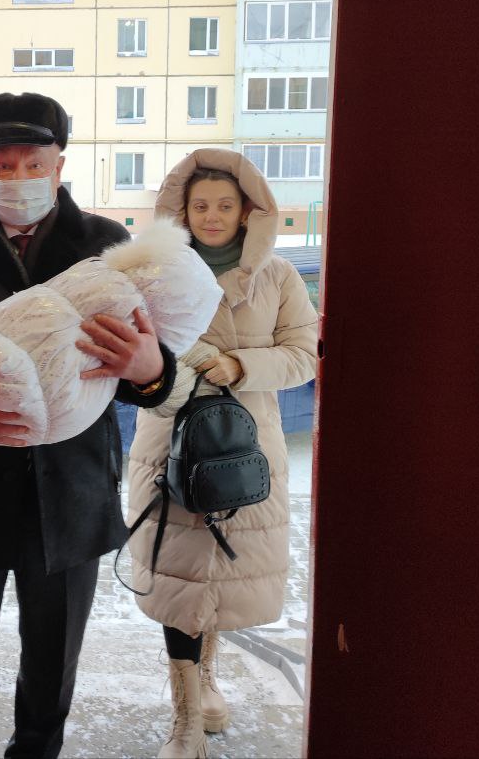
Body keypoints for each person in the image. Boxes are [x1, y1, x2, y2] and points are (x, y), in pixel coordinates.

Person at [0, 92, 178, 759]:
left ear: (60, 164)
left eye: (34, 163)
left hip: (71, 493)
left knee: (52, 664)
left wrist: (149, 367)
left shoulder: (106, 243)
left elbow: (155, 367)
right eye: (3, 164)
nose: (19, 178)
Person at [125, 148, 318, 758]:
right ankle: (185, 717)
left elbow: (303, 356)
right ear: (181, 212)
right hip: (169, 439)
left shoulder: (278, 277)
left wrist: (238, 364)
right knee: (179, 577)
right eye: (200, 205)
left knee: (223, 575)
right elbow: (135, 352)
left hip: (244, 444)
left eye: (224, 206)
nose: (211, 216)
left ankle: (207, 676)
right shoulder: (152, 274)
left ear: (247, 212)